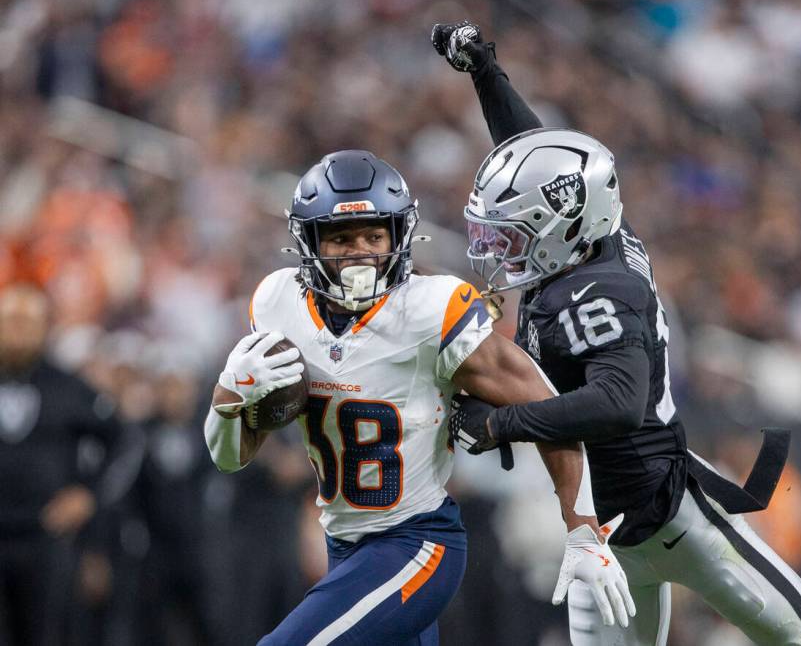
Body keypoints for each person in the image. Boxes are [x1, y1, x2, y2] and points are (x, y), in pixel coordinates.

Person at [432, 22, 801, 646]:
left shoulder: (597, 292)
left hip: (675, 520)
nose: (501, 249)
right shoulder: (592, 236)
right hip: (599, 533)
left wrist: (499, 424)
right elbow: (536, 148)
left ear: (560, 228)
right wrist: (487, 72)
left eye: (513, 233)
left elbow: (617, 404)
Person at [203, 150, 635, 645]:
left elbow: (549, 408)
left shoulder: (430, 310)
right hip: (343, 546)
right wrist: (229, 395)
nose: (360, 251)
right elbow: (228, 456)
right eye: (342, 238)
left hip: (417, 544)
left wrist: (582, 529)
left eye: (374, 235)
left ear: (399, 236)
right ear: (310, 242)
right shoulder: (278, 304)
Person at [0, 283, 131, 646]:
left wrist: (89, 495)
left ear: (45, 328)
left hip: (46, 537)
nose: (19, 331)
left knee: (44, 634)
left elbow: (123, 441)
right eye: (11, 320)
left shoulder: (67, 386)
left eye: (28, 322)